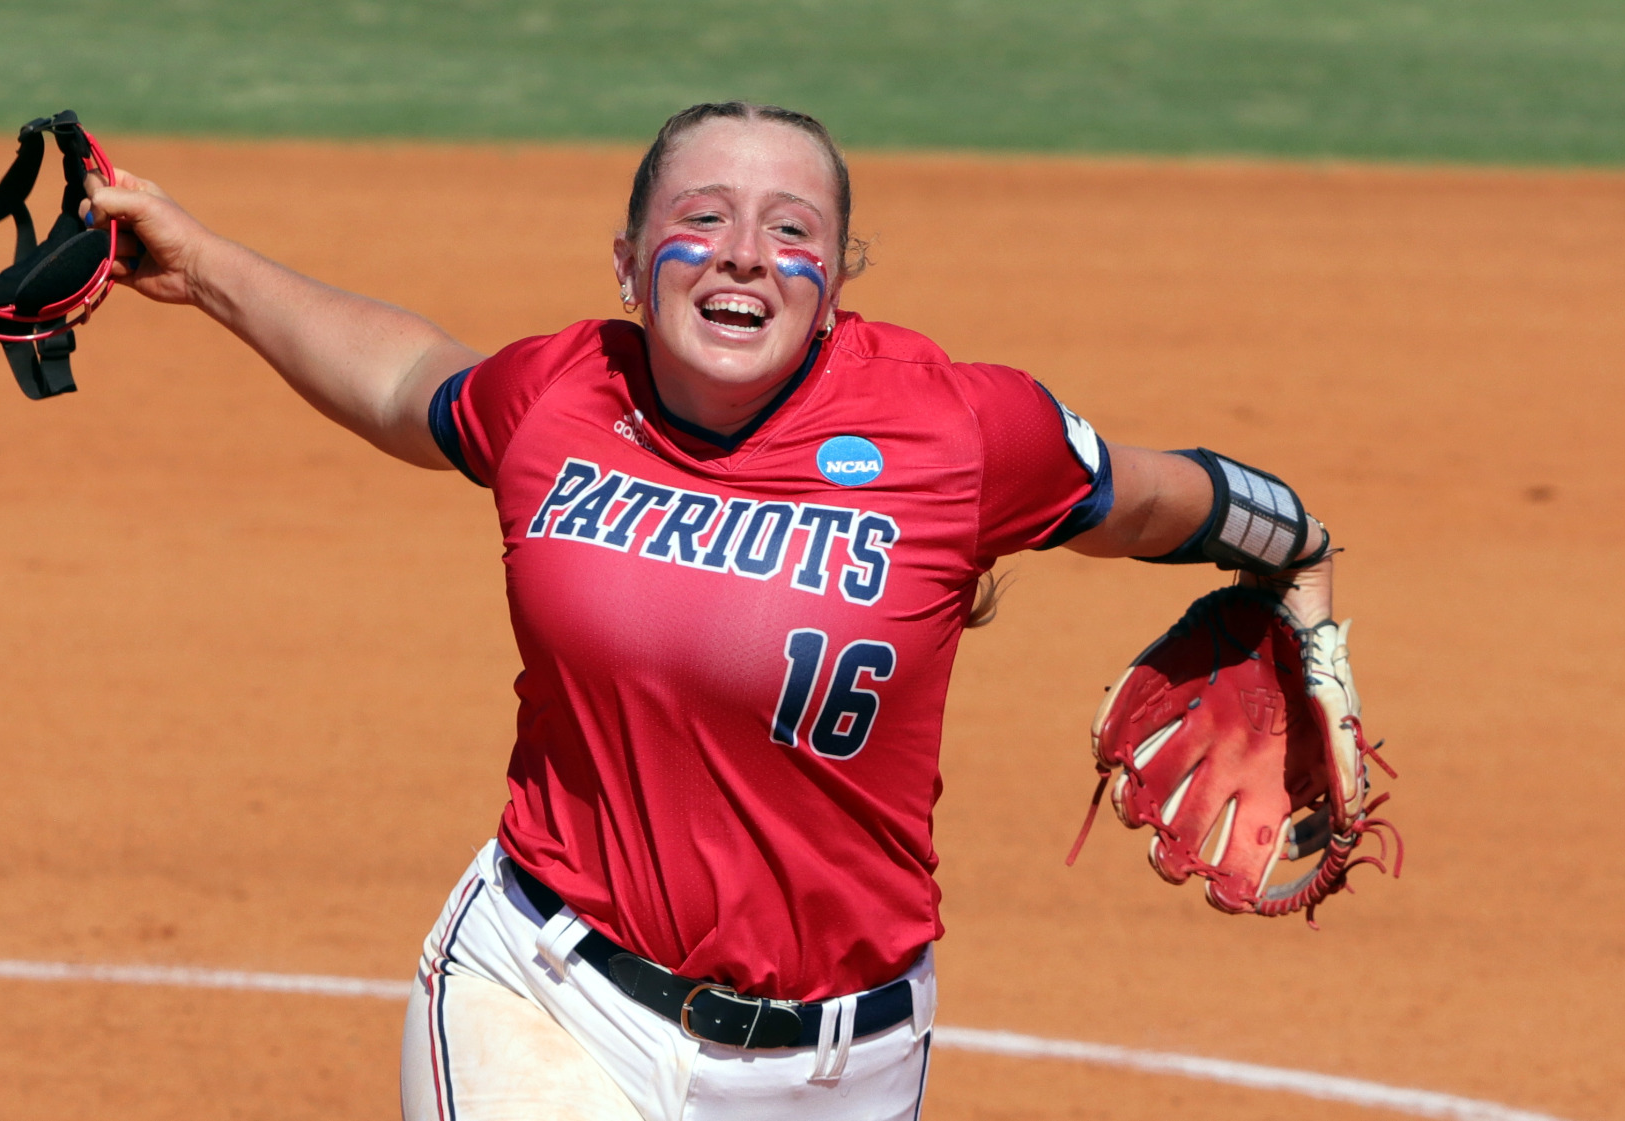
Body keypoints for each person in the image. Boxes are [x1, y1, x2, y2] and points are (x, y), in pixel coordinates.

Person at [82, 101, 1336, 1121]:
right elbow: (412, 382)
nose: (744, 250)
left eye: (791, 227)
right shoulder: (559, 395)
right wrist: (198, 264)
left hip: (849, 1061)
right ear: (629, 264)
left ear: (831, 285)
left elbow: (1149, 497)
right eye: (701, 216)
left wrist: (1299, 547)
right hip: (548, 993)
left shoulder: (954, 428)